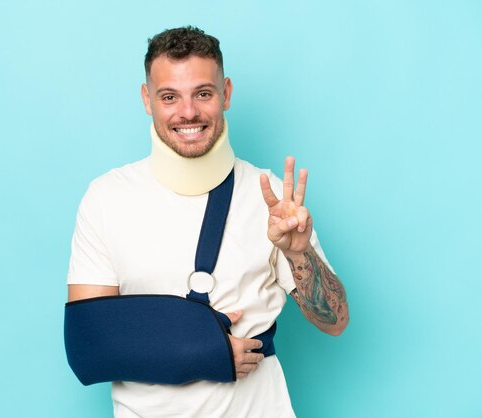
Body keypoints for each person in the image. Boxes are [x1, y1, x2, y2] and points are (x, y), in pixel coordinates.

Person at [66, 26, 349, 418]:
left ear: (226, 93)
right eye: (169, 97)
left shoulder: (270, 201)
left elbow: (335, 322)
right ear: (148, 100)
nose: (188, 112)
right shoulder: (106, 197)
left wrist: (299, 255)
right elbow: (89, 345)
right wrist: (204, 353)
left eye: (203, 93)